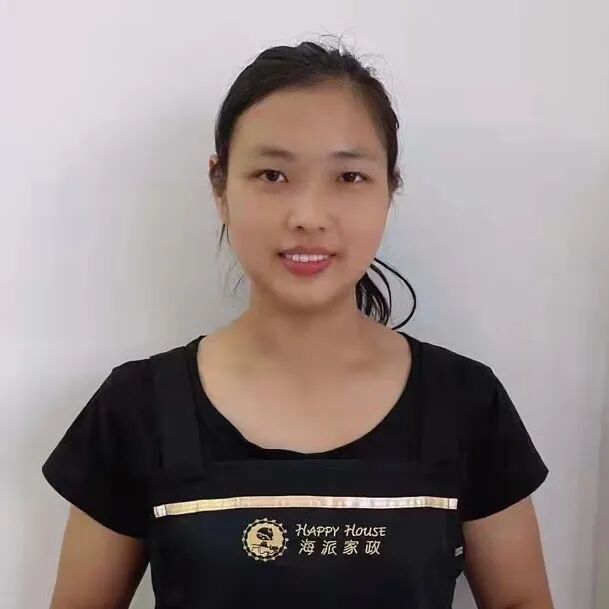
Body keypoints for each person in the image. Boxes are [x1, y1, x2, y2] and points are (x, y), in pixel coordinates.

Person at [42, 37, 554, 609]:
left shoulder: (466, 402)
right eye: (272, 175)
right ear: (220, 187)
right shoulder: (136, 407)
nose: (309, 216)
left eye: (349, 177)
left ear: (391, 188)